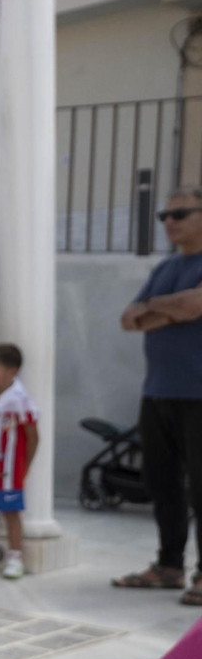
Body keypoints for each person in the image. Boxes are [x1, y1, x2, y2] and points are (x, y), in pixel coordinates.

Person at [115, 185, 202, 602]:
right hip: (158, 392)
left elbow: (193, 306)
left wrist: (157, 308)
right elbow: (130, 320)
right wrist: (171, 306)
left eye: (180, 214)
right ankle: (170, 566)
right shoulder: (166, 268)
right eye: (164, 216)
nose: (169, 222)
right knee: (162, 482)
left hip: (198, 394)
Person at [0, 343, 38, 581]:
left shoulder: (19, 398)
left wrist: (24, 468)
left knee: (11, 512)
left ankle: (15, 557)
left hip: (8, 469)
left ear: (12, 371)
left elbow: (33, 436)